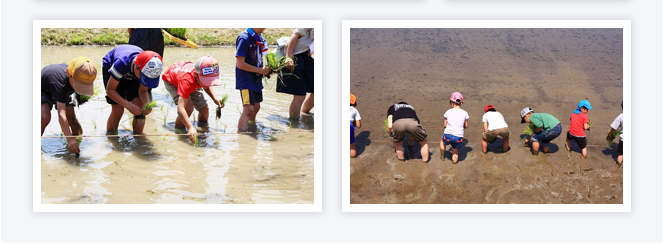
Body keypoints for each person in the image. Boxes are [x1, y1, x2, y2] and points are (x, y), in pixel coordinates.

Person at [41, 57, 98, 154]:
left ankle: (77, 144)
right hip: (43, 90)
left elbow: (68, 115)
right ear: (69, 75)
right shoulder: (59, 82)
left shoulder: (79, 74)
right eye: (79, 85)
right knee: (44, 117)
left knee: (72, 119)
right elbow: (61, 115)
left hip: (65, 90)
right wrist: (70, 139)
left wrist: (75, 139)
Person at [102, 44, 163, 134]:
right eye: (144, 77)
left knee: (140, 107)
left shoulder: (149, 70)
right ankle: (111, 137)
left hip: (133, 73)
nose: (145, 79)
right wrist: (128, 105)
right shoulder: (121, 63)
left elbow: (143, 90)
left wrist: (147, 103)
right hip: (114, 69)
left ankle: (138, 139)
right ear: (136, 66)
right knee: (118, 110)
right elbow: (110, 90)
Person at [162, 56, 224, 144]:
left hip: (192, 81)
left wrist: (214, 98)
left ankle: (203, 131)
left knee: (204, 109)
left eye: (210, 80)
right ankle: (180, 132)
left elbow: (206, 84)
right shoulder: (186, 80)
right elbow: (181, 108)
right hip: (172, 81)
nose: (208, 83)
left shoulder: (201, 76)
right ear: (196, 75)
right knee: (188, 108)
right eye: (206, 80)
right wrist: (190, 127)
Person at [236, 28, 271, 131]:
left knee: (256, 107)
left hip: (256, 78)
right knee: (248, 109)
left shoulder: (260, 39)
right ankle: (242, 136)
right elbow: (240, 63)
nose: (263, 27)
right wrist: (260, 70)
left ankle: (252, 130)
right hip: (246, 80)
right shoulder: (244, 38)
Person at [277, 28, 314, 119]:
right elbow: (295, 34)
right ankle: (294, 124)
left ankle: (305, 114)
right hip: (295, 54)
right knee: (300, 95)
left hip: (307, 56)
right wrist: (288, 57)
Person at [441, 92, 469, 164]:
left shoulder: (448, 111)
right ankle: (454, 162)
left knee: (442, 141)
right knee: (455, 150)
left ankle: (442, 156)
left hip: (448, 134)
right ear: (461, 103)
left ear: (451, 102)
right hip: (458, 136)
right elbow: (466, 126)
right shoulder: (465, 113)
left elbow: (445, 125)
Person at [607, 101, 623, 167]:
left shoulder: (621, 116)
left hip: (624, 139)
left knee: (621, 154)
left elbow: (614, 127)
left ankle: (618, 166)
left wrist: (610, 134)